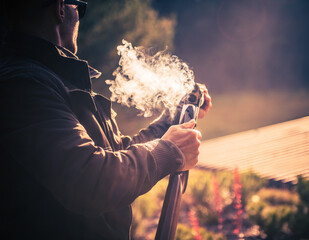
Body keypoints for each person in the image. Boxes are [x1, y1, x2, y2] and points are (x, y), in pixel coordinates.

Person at [0, 0, 212, 239]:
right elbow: (89, 178)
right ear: (61, 8)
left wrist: (175, 117)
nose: (80, 18)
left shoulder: (48, 79)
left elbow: (115, 155)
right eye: (79, 6)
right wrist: (167, 151)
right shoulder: (23, 86)